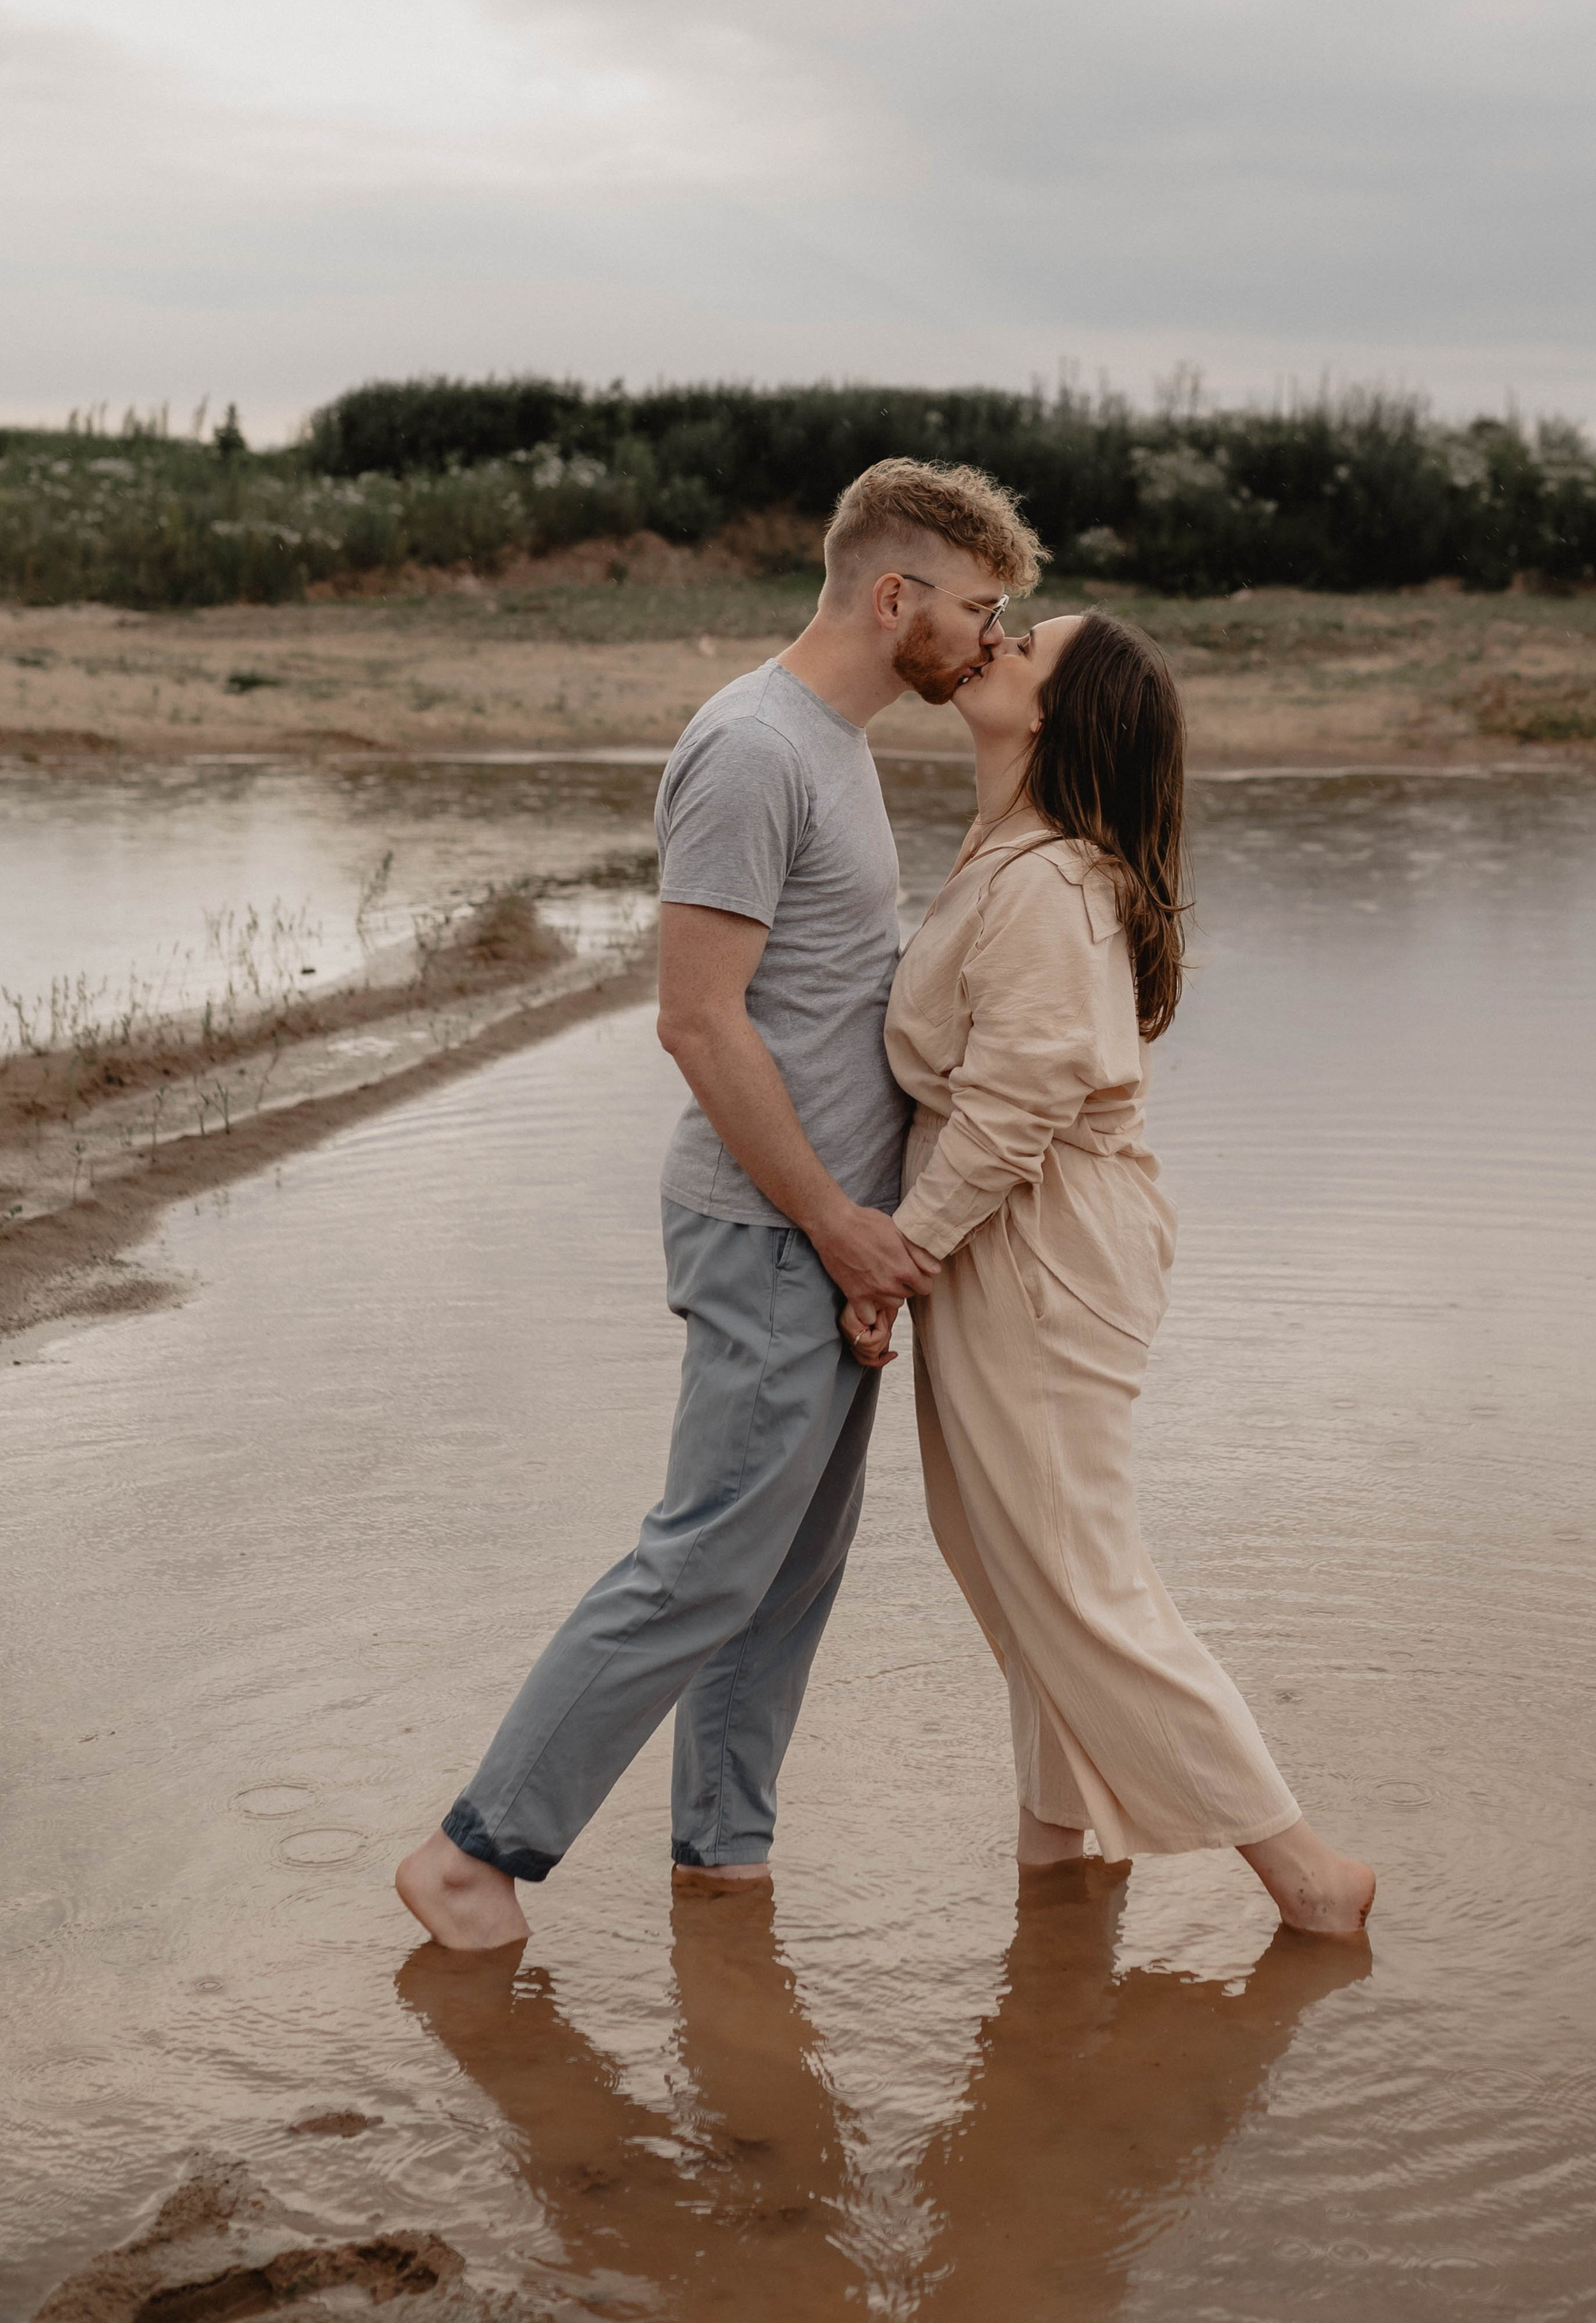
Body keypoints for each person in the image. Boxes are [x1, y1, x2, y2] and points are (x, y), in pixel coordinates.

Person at [397, 458, 1041, 1950]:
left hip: (826, 1236)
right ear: (897, 598)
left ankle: (722, 1859)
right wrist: (832, 1221)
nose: (992, 637)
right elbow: (700, 1022)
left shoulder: (836, 747)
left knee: (785, 1578)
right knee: (702, 1563)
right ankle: (474, 1849)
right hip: (772, 1231)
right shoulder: (753, 747)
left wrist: (877, 1231)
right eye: (979, 606)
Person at [846, 610, 1375, 1936]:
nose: (992, 643)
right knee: (1024, 1567)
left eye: (1024, 645)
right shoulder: (1012, 853)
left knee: (1076, 1575)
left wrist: (893, 1261)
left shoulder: (1053, 886)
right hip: (1020, 1239)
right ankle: (1055, 1856)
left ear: (1056, 716)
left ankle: (1308, 1876)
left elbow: (1018, 1107)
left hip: (1035, 1247)